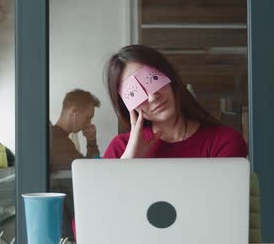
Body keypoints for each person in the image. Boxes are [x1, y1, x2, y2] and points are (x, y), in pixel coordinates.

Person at [103, 44, 247, 159]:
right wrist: (129, 161)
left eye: (154, 79)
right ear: (127, 105)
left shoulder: (224, 141)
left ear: (170, 76)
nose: (153, 97)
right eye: (134, 93)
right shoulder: (119, 149)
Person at [50, 89, 101, 240]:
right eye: (88, 117)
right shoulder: (58, 141)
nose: (89, 123)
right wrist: (92, 142)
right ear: (74, 112)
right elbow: (91, 171)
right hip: (64, 222)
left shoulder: (60, 138)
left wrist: (91, 141)